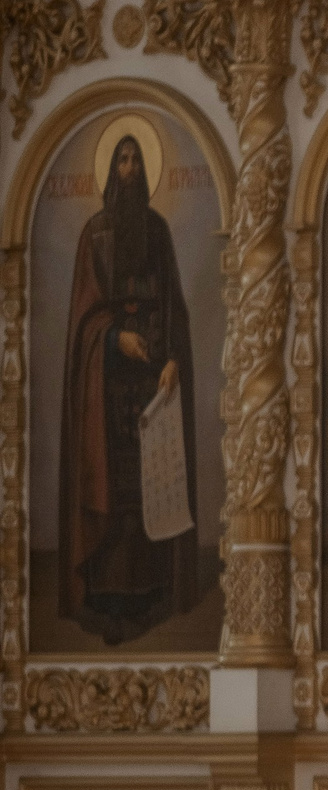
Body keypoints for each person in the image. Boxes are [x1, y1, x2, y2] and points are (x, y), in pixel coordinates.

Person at [60, 131, 200, 644]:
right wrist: (115, 339)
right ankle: (109, 598)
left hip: (152, 385)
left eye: (135, 160)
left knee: (150, 491)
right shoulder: (94, 234)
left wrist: (172, 363)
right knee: (115, 489)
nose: (128, 168)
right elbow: (84, 322)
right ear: (110, 171)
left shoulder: (159, 232)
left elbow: (171, 309)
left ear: (144, 171)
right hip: (109, 387)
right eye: (120, 159)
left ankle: (149, 593)